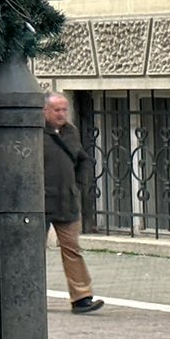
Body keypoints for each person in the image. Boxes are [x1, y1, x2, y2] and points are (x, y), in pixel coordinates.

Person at [43, 91, 103, 315]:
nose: (61, 114)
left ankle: (81, 297)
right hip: (39, 203)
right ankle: (30, 295)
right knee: (32, 252)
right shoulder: (35, 133)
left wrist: (79, 185)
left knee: (72, 250)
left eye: (64, 109)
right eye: (56, 110)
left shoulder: (71, 132)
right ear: (45, 110)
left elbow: (83, 159)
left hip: (66, 201)